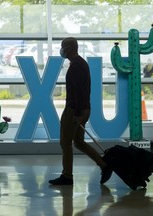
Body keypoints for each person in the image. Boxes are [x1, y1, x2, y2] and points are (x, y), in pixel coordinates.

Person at [49, 37, 112, 185]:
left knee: (65, 142)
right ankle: (104, 165)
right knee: (78, 142)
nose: (61, 49)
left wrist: (77, 113)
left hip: (74, 110)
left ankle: (67, 175)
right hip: (83, 109)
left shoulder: (76, 65)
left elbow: (78, 92)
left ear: (70, 47)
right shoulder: (80, 63)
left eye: (63, 46)